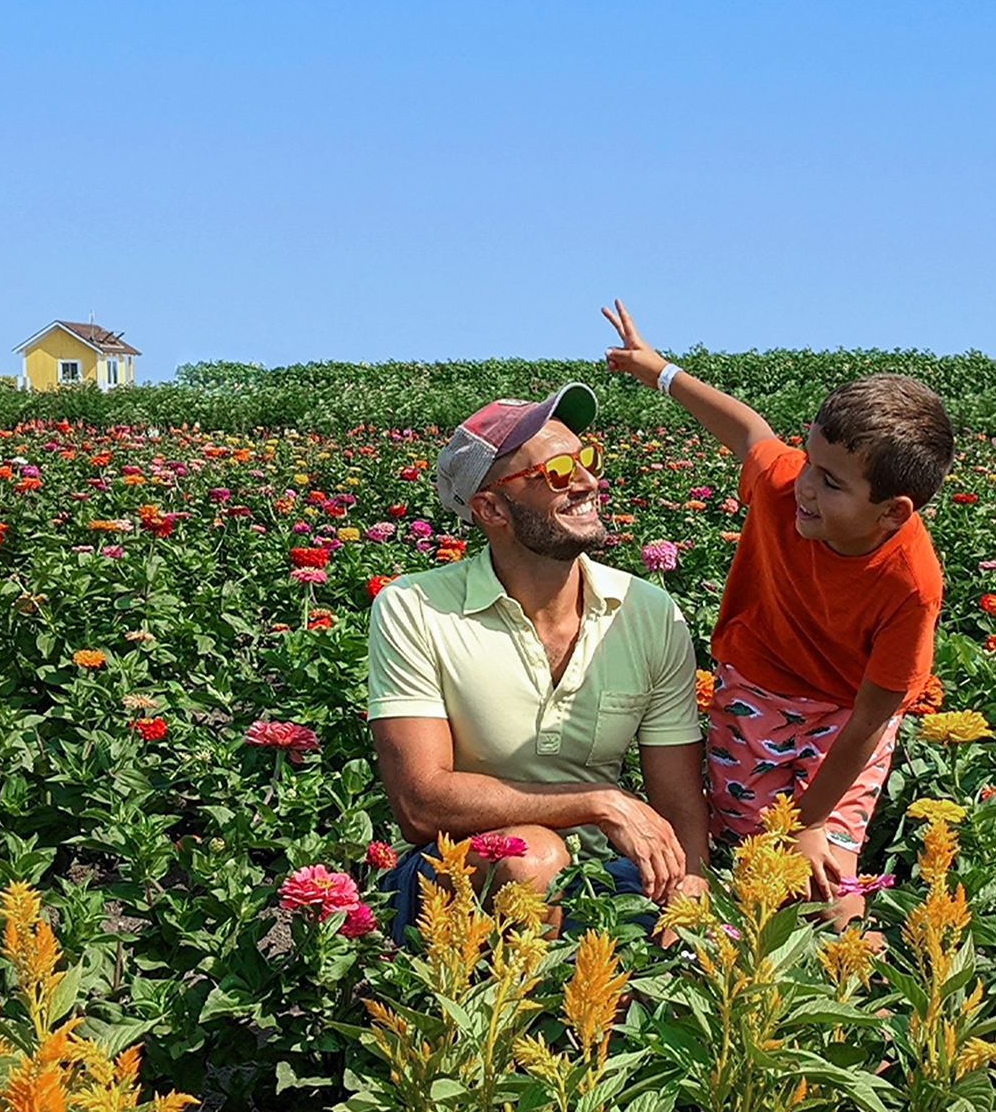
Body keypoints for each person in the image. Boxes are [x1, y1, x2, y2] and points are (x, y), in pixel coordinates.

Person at [601, 302, 951, 917]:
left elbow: (870, 720)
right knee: (748, 862)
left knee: (826, 879)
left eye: (833, 483)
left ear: (894, 511)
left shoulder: (912, 584)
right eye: (811, 462)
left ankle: (840, 980)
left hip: (846, 718)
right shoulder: (786, 483)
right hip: (756, 691)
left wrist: (811, 823)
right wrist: (656, 369)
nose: (808, 487)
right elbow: (748, 432)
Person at [367, 380, 712, 937]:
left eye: (587, 459)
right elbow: (420, 805)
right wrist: (598, 802)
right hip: (457, 873)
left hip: (609, 872)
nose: (588, 481)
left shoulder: (647, 612)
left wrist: (692, 889)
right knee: (534, 858)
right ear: (491, 509)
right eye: (556, 473)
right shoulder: (416, 607)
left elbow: (677, 796)